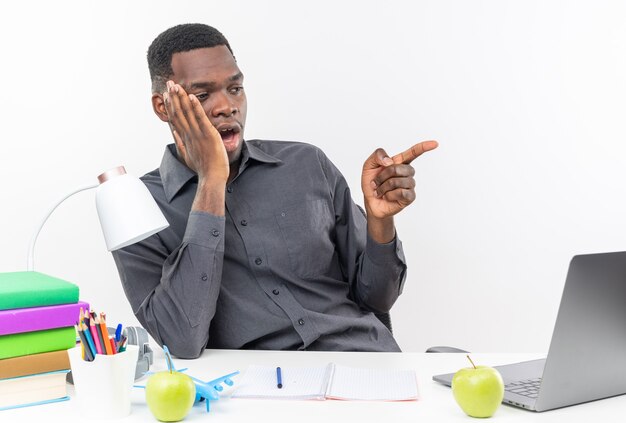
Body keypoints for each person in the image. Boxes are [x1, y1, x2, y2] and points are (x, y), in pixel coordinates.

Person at [112, 23, 438, 359]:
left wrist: (379, 223)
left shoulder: (306, 164)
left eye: (235, 88)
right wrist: (211, 180)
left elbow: (376, 299)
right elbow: (181, 340)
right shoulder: (136, 208)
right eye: (203, 95)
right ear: (164, 107)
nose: (227, 106)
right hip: (256, 395)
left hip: (363, 362)